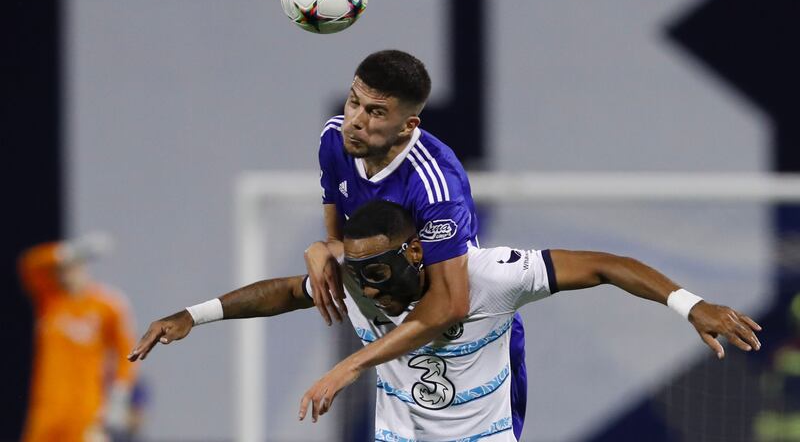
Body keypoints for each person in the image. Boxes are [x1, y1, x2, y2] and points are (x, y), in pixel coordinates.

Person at [129, 200, 762, 442]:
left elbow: (603, 264)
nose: (365, 282)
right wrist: (193, 314)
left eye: (377, 267)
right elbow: (282, 295)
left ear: (414, 251)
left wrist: (689, 304)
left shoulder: (488, 274)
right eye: (356, 269)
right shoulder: (353, 282)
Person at [304, 49, 530, 438]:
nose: (355, 121)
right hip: (390, 320)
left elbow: (452, 302)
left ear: (408, 125)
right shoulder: (334, 140)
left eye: (375, 112)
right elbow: (342, 241)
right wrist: (325, 247)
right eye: (354, 101)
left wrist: (353, 365)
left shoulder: (434, 182)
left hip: (468, 341)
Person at [18, 233, 138, 442]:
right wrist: (68, 252)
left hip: (85, 408)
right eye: (62, 269)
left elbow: (128, 352)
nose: (66, 274)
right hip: (48, 408)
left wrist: (119, 395)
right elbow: (29, 264)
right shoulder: (50, 301)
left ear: (83, 268)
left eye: (72, 267)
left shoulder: (106, 305)